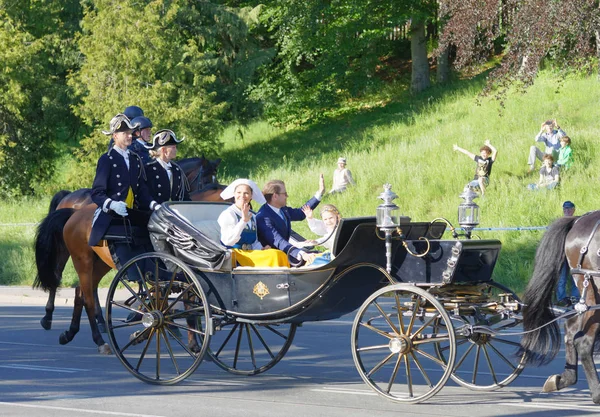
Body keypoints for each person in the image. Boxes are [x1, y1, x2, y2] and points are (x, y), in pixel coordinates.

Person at [89, 113, 160, 276]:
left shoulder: (135, 159)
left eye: (130, 133)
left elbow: (141, 190)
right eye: (125, 133)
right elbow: (97, 193)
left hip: (132, 213)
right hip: (113, 214)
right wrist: (112, 204)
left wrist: (152, 204)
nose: (129, 136)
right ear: (115, 136)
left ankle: (158, 270)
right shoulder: (107, 159)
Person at [218, 179, 289, 267]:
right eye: (239, 192)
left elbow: (254, 242)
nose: (242, 196)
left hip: (249, 254)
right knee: (275, 256)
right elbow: (228, 241)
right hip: (234, 256)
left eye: (246, 193)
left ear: (251, 196)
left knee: (279, 254)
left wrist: (262, 249)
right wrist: (243, 221)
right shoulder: (228, 214)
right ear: (234, 194)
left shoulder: (252, 216)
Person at [256, 175, 325, 266]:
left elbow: (301, 213)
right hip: (275, 261)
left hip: (287, 252)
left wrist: (319, 193)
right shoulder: (263, 217)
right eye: (284, 193)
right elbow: (279, 241)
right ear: (275, 196)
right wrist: (300, 253)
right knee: (317, 261)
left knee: (322, 256)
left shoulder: (282, 209)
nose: (287, 196)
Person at [145, 129, 190, 203]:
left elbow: (183, 195)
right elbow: (147, 195)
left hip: (174, 211)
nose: (176, 150)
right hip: (156, 211)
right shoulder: (149, 169)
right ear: (164, 150)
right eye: (173, 147)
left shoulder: (176, 169)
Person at [556, 201, 580, 306]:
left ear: (573, 210)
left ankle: (575, 297)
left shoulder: (577, 222)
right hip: (562, 253)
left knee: (576, 276)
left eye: (569, 209)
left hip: (574, 253)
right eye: (565, 209)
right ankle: (561, 298)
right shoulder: (560, 223)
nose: (567, 211)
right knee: (562, 278)